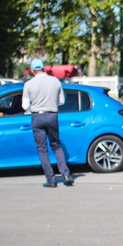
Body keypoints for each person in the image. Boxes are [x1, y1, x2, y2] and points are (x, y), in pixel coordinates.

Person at [22, 59, 74, 188]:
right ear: (44, 68)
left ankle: (51, 180)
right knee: (56, 145)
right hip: (52, 115)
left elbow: (24, 105)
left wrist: (34, 107)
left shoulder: (29, 84)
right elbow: (61, 101)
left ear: (33, 70)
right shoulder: (55, 81)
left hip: (37, 116)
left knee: (42, 149)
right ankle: (66, 174)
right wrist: (50, 104)